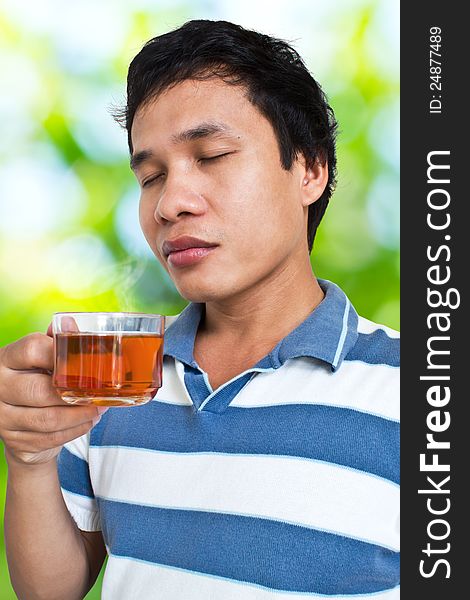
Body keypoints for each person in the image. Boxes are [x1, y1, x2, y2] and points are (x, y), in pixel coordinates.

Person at [0, 19, 399, 600]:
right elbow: (51, 591)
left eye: (211, 155)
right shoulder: (114, 378)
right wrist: (30, 459)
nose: (169, 204)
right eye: (151, 176)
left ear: (310, 170)